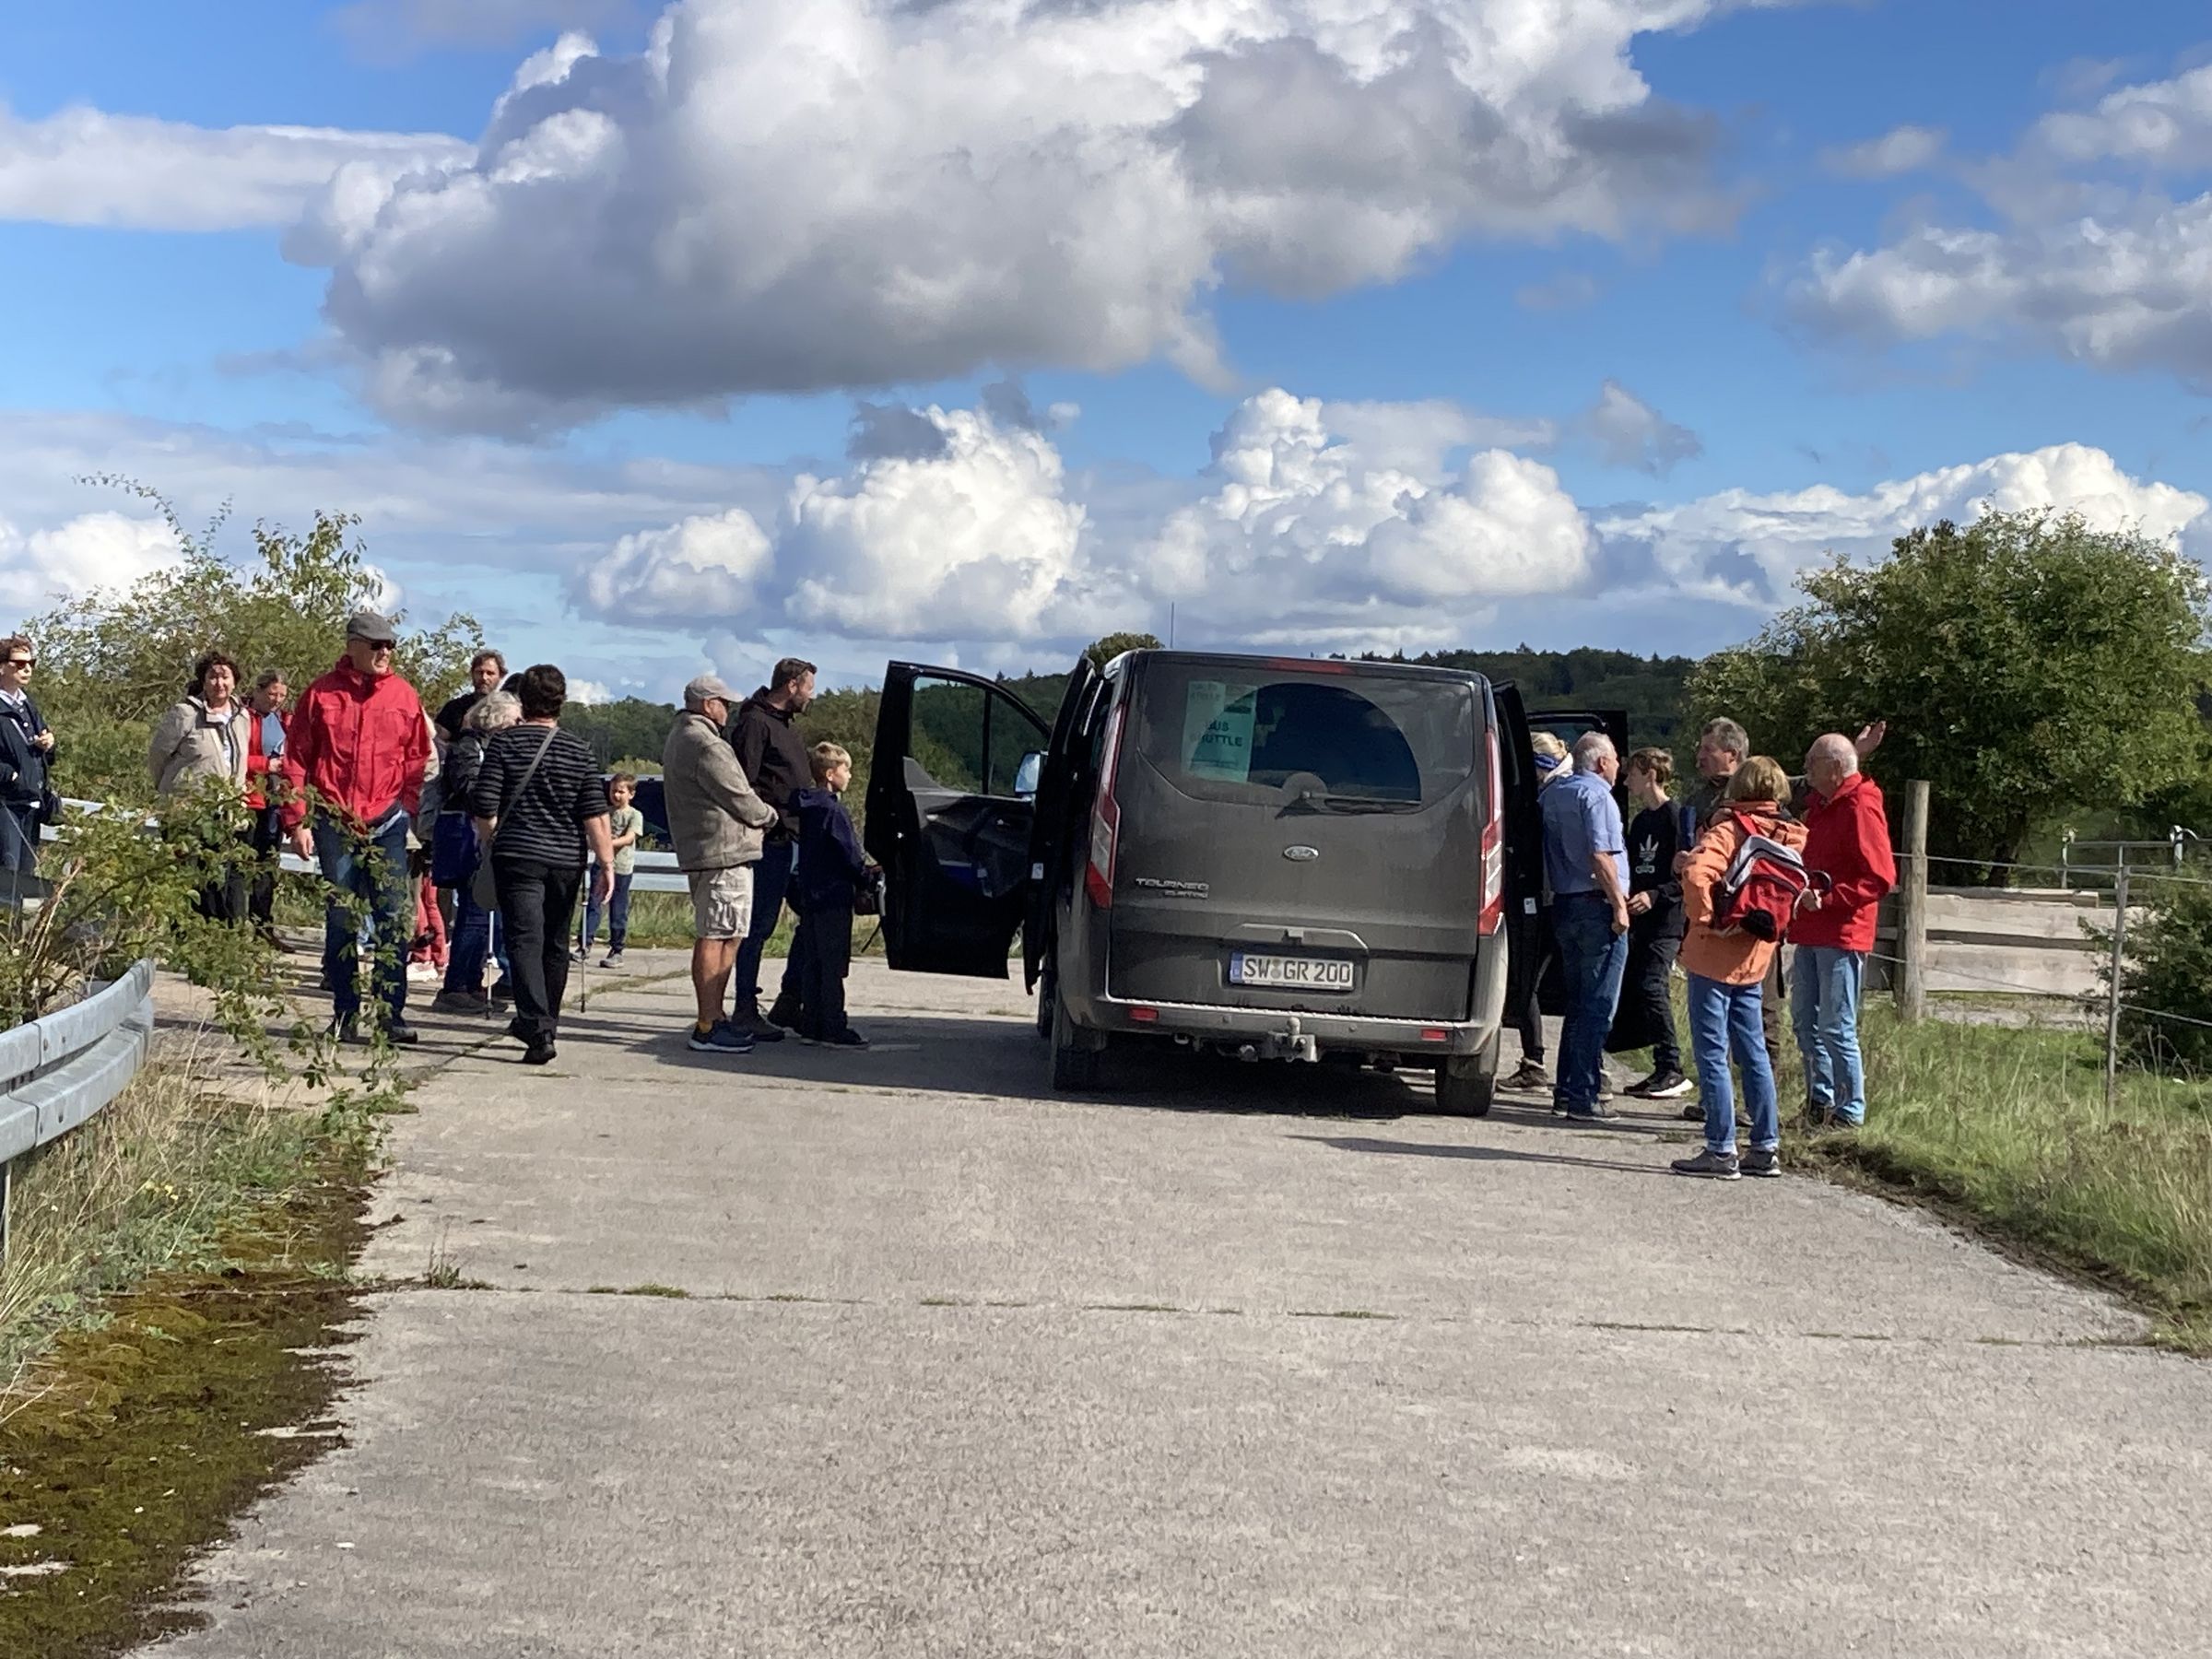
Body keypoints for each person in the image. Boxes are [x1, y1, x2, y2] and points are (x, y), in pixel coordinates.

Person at [280, 609, 432, 1045]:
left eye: (390, 646)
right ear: (353, 646)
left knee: (392, 919)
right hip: (335, 822)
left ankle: (390, 1015)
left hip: (387, 823)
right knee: (342, 918)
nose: (385, 653)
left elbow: (417, 758)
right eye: (377, 645)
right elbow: (296, 759)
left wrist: (406, 808)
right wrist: (297, 821)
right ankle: (345, 1013)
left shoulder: (404, 696)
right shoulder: (321, 694)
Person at [1671, 758, 1807, 1180]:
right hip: (1756, 952)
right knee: (1754, 1052)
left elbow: (1697, 874)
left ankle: (1720, 1148)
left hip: (1715, 953)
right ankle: (1765, 1147)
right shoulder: (1791, 835)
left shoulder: (1729, 830)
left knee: (1712, 1052)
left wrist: (1707, 921)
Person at [469, 665, 611, 1065]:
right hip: (566, 859)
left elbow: (485, 804)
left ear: (523, 701)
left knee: (524, 941)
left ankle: (536, 1027)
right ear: (561, 701)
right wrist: (606, 863)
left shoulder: (504, 745)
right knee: (555, 943)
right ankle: (546, 1022)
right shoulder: (578, 750)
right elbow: (594, 812)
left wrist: (490, 840)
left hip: (518, 856)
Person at [663, 674, 780, 1055]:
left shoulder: (680, 736)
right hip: (722, 851)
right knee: (719, 934)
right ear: (707, 704)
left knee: (726, 932)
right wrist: (769, 816)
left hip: (706, 849)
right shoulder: (706, 744)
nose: (727, 710)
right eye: (723, 703)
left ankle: (715, 1016)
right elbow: (738, 795)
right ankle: (708, 1023)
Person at [1790, 734, 1896, 1130]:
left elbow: (1880, 877)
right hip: (1812, 928)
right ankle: (1820, 1100)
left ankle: (1850, 1110)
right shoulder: (1823, 805)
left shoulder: (1859, 805)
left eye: (1813, 761)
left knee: (1836, 1026)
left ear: (1834, 768)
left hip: (1842, 930)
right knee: (1805, 1022)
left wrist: (1830, 898)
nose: (1806, 768)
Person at [1538, 731, 1630, 1121]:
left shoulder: (1553, 795)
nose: (1619, 767)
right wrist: (1620, 906)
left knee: (1577, 1004)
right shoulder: (1597, 797)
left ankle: (1565, 1090)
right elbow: (1601, 855)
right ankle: (1584, 1095)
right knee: (1598, 1006)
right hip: (1597, 906)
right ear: (1602, 762)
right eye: (1615, 760)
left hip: (1564, 904)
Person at [728, 656, 818, 1038]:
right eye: (809, 688)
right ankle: (744, 1008)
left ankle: (789, 999)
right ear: (792, 685)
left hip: (796, 839)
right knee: (758, 927)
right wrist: (770, 819)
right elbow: (742, 784)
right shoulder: (755, 723)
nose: (811, 696)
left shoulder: (784, 725)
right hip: (771, 843)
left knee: (816, 914)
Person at [1611, 747, 1694, 1100]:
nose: (1626, 781)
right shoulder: (1641, 822)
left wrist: (1655, 895)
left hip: (1667, 919)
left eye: (1632, 773)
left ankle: (1672, 1066)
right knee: (1638, 986)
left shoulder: (1676, 817)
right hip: (1640, 919)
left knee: (1653, 985)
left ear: (1650, 774)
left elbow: (1685, 875)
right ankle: (1658, 1065)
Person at [430, 688, 520, 1014]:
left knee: (482, 913)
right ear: (498, 718)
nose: (519, 726)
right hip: (467, 837)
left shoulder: (489, 747)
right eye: (514, 720)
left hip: (480, 834)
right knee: (473, 912)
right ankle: (456, 986)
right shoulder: (468, 746)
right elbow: (469, 789)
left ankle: (470, 983)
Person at [148, 651, 253, 923]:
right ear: (203, 681)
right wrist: (170, 791)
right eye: (213, 677)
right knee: (186, 883)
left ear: (235, 681)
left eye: (225, 677)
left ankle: (214, 938)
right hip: (186, 814)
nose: (219, 683)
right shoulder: (185, 713)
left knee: (219, 885)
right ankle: (183, 938)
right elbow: (158, 757)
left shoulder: (242, 717)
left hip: (226, 815)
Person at [791, 742, 872, 1050]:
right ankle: (833, 1025)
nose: (849, 776)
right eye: (845, 769)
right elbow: (848, 853)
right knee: (833, 963)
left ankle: (812, 1023)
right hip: (834, 895)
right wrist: (865, 877)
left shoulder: (807, 809)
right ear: (830, 774)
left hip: (810, 894)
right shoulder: (834, 811)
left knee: (813, 961)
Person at [1504, 731, 1571, 1092]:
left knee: (1526, 981)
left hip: (1548, 901)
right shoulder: (1563, 791)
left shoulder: (1552, 797)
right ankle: (1581, 1067)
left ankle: (1535, 1061)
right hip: (1562, 898)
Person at [0, 633, 56, 906]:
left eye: (31, 663)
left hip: (31, 802)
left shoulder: (27, 705)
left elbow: (46, 754)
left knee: (23, 880)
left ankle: (14, 932)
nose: (27, 669)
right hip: (6, 803)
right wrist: (10, 776)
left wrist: (49, 744)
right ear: (2, 667)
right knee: (6, 879)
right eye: (20, 664)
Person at [242, 670, 292, 946]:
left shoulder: (283, 720)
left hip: (274, 801)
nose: (277, 700)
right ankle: (235, 926)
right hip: (246, 798)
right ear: (258, 690)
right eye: (272, 693)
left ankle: (263, 928)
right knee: (241, 864)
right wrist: (265, 765)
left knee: (268, 864)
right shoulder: (242, 717)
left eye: (282, 695)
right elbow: (231, 757)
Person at [577, 773, 642, 965]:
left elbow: (629, 838)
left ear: (631, 794)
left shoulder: (634, 815)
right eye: (613, 791)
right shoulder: (606, 813)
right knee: (593, 904)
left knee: (618, 908)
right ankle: (584, 944)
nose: (616, 795)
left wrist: (605, 843)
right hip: (601, 866)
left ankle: (617, 949)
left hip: (621, 868)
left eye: (621, 792)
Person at [435, 649, 506, 747]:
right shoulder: (454, 708)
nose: (484, 678)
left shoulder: (508, 710)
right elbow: (438, 740)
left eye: (490, 673)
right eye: (479, 672)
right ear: (472, 674)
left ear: (501, 676)